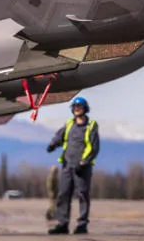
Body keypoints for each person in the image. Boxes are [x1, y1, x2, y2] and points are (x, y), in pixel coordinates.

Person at [46, 96, 100, 235]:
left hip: (82, 167)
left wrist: (84, 162)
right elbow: (60, 135)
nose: (76, 109)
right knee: (63, 195)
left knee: (82, 195)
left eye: (79, 107)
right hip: (67, 166)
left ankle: (82, 225)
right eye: (75, 107)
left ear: (85, 109)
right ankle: (62, 224)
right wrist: (53, 144)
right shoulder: (70, 123)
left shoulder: (91, 125)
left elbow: (94, 147)